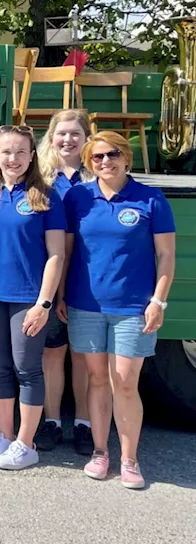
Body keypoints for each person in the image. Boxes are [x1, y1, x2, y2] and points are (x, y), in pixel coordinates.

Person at [64, 131, 176, 489]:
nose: (105, 162)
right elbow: (66, 251)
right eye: (96, 157)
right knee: (97, 380)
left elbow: (166, 256)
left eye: (112, 154)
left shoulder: (151, 199)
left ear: (127, 157)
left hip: (133, 308)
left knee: (125, 382)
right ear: (88, 163)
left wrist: (158, 301)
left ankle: (130, 460)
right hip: (86, 304)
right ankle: (101, 452)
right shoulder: (79, 197)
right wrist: (62, 295)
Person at [0, 125, 66, 471]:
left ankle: (25, 443)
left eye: (21, 152)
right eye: (7, 152)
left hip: (27, 299)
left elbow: (56, 255)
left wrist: (44, 303)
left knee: (27, 369)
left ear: (32, 155)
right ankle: (5, 437)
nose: (13, 158)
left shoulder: (45, 195)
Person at [35, 109, 95, 454]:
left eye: (75, 134)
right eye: (62, 133)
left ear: (87, 138)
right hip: (52, 276)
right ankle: (52, 421)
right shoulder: (41, 178)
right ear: (51, 137)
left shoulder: (98, 175)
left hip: (88, 278)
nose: (68, 140)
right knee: (52, 353)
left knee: (85, 356)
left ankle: (84, 425)